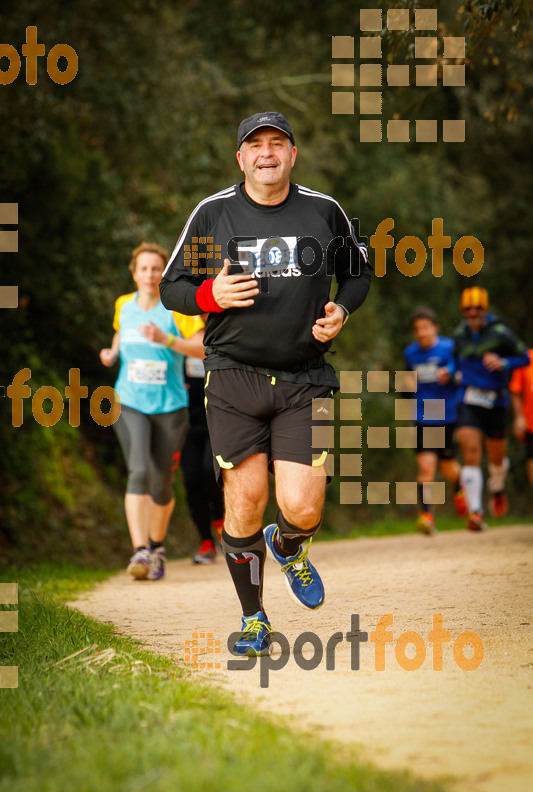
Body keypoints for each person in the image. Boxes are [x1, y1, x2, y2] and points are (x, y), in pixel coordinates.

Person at [160, 111, 371, 656]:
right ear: (241, 158)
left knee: (302, 507)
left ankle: (291, 547)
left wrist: (342, 311)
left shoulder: (323, 211)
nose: (267, 153)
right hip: (234, 376)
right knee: (244, 500)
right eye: (256, 146)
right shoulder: (214, 215)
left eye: (278, 143)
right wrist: (210, 297)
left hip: (307, 378)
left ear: (293, 155)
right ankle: (254, 619)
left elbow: (358, 271)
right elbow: (172, 286)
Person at [100, 242, 205, 579]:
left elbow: (204, 348)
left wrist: (167, 340)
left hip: (171, 407)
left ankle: (157, 547)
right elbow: (120, 332)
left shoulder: (177, 310)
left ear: (165, 273)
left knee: (162, 482)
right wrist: (112, 353)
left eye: (156, 269)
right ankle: (140, 552)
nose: (150, 275)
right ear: (134, 274)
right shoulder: (123, 305)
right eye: (143, 269)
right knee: (139, 470)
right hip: (128, 401)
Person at [450, 287, 530, 531]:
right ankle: (475, 513)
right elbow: (454, 360)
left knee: (496, 458)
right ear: (463, 311)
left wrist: (504, 362)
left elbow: (525, 357)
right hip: (468, 399)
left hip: (496, 401)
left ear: (485, 309)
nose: (473, 312)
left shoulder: (500, 332)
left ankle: (497, 487)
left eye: (478, 308)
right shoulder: (459, 335)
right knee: (470, 451)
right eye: (468, 309)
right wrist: (453, 372)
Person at [404, 307, 466, 535]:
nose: (421, 333)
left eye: (425, 327)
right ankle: (426, 515)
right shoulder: (411, 353)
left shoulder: (449, 347)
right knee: (426, 466)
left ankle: (458, 487)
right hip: (422, 415)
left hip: (448, 415)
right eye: (417, 329)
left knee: (449, 468)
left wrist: (449, 372)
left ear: (435, 328)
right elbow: (407, 381)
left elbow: (461, 368)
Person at [181, 347, 225, 564]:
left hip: (217, 420)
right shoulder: (179, 336)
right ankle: (206, 542)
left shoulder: (219, 332)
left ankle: (222, 525)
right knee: (191, 480)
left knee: (211, 472)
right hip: (186, 424)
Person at [509, 348, 533, 488]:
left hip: (435, 413)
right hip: (531, 424)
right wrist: (519, 417)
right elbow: (515, 390)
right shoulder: (526, 358)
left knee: (429, 463)